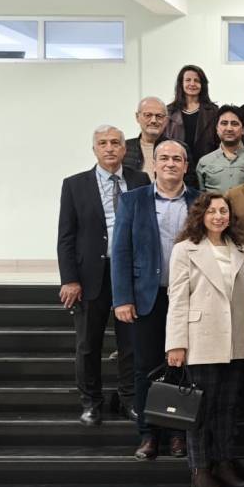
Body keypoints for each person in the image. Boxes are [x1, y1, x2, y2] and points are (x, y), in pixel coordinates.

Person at [111, 140, 198, 461]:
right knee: (145, 367)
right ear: (155, 164)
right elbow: (120, 251)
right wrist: (122, 298)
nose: (170, 163)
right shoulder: (133, 201)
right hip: (148, 297)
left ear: (186, 166)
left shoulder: (199, 201)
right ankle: (148, 434)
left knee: (182, 367)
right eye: (164, 158)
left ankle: (177, 434)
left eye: (177, 158)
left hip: (188, 299)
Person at [57, 125, 149, 425]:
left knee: (130, 343)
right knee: (88, 344)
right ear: (94, 149)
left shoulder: (140, 180)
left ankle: (129, 399)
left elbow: (146, 227)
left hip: (129, 274)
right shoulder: (75, 185)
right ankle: (90, 402)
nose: (109, 148)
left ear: (124, 148)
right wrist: (70, 279)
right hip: (90, 275)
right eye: (103, 143)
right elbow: (66, 236)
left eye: (115, 142)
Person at [164, 194, 244, 487]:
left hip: (236, 340)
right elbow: (177, 298)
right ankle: (200, 468)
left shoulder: (239, 248)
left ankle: (224, 462)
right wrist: (176, 343)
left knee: (227, 408)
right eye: (212, 211)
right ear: (200, 215)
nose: (218, 216)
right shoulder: (185, 249)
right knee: (201, 409)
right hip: (201, 339)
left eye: (223, 211)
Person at [163, 65, 220, 181]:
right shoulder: (169, 111)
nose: (192, 84)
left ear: (203, 84)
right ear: (181, 83)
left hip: (206, 169)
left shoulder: (213, 111)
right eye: (188, 80)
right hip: (176, 167)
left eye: (197, 80)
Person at [194, 105, 244, 194]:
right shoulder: (204, 162)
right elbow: (200, 196)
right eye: (224, 123)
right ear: (217, 129)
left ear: (243, 130)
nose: (229, 128)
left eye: (234, 124)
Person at [124, 97, 169, 181]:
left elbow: (189, 182)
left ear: (166, 120)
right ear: (137, 117)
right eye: (148, 115)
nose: (153, 120)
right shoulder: (124, 147)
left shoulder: (178, 148)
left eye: (159, 116)